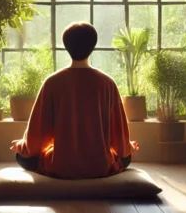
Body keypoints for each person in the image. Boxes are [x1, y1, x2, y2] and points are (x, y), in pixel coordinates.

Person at [10, 22, 140, 179]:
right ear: (93, 45)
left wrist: (21, 146)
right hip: (100, 168)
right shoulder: (107, 83)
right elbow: (120, 143)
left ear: (66, 45)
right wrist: (128, 147)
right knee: (126, 158)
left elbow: (36, 139)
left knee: (22, 157)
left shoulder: (52, 82)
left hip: (60, 168)